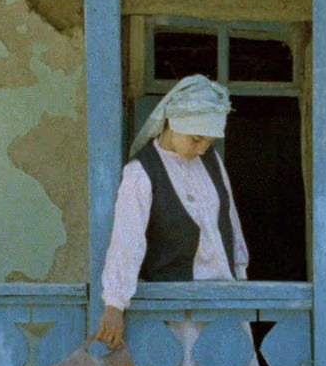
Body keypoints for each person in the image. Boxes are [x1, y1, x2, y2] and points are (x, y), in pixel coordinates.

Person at [94, 75, 249, 349]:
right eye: (196, 139)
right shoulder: (141, 173)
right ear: (172, 124)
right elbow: (127, 241)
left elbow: (229, 220)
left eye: (209, 143)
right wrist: (115, 304)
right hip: (177, 310)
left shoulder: (212, 162)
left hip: (225, 301)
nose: (202, 149)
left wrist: (241, 277)